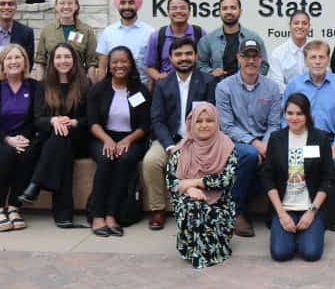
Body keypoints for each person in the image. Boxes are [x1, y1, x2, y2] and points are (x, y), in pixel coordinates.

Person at [142, 37, 216, 231]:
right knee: (151, 161)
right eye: (179, 55)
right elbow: (157, 120)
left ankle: (202, 207)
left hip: (200, 140)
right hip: (170, 140)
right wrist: (170, 146)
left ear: (196, 56)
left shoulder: (208, 81)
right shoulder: (162, 84)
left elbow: (211, 118)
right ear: (171, 58)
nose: (184, 58)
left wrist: (193, 142)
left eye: (188, 54)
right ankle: (158, 209)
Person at [215, 38, 284, 237]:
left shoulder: (271, 88)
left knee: (281, 157)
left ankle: (276, 211)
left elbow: (273, 125)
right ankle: (236, 212)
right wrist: (255, 144)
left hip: (265, 139)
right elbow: (226, 126)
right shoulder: (224, 87)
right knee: (250, 155)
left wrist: (266, 145)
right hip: (235, 142)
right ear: (238, 58)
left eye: (255, 56)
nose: (251, 61)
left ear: (261, 58)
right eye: (246, 56)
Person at [18, 42, 91, 228]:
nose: (63, 61)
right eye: (58, 57)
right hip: (53, 140)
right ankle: (63, 216)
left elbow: (91, 118)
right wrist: (53, 121)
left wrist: (74, 122)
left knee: (62, 137)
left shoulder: (85, 84)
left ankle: (35, 184)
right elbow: (37, 119)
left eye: (67, 57)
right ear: (52, 61)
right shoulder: (43, 86)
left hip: (79, 139)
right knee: (60, 143)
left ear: (74, 60)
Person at [282, 40, 335, 231]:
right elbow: (285, 116)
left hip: (329, 140)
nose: (318, 61)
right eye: (313, 57)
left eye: (322, 57)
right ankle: (290, 212)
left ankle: (328, 216)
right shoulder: (294, 84)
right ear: (305, 61)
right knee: (298, 162)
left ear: (328, 59)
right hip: (301, 137)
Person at [86, 46, 151, 236]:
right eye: (115, 62)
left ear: (131, 64)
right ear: (109, 65)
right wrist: (107, 140)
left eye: (124, 61)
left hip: (132, 139)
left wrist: (127, 141)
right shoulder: (98, 90)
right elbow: (92, 122)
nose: (119, 65)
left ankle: (112, 214)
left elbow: (145, 125)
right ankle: (97, 215)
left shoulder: (140, 91)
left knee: (124, 160)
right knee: (106, 160)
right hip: (102, 137)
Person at [261, 93, 334, 262]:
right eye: (290, 113)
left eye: (299, 113)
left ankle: (307, 232)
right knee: (280, 254)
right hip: (284, 207)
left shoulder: (320, 139)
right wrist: (281, 214)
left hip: (310, 206)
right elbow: (267, 177)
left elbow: (328, 178)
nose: (294, 118)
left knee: (311, 253)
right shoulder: (276, 138)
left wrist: (311, 212)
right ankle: (290, 233)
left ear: (307, 115)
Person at [166, 103, 238, 269]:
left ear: (217, 122)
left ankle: (210, 251)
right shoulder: (182, 148)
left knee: (201, 209)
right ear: (191, 123)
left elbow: (226, 180)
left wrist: (195, 183)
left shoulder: (227, 147)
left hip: (220, 202)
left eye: (209, 120)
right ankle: (193, 251)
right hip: (188, 199)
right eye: (199, 121)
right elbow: (171, 181)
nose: (204, 125)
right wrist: (190, 190)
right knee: (191, 205)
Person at [0, 44, 38, 232]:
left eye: (18, 57)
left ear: (25, 61)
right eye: (9, 58)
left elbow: (34, 119)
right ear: (2, 64)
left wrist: (21, 138)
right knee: (8, 154)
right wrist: (8, 139)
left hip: (21, 139)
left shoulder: (34, 86)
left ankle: (14, 207)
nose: (13, 62)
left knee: (28, 153)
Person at [197, 0, 269, 79]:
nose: (229, 12)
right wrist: (211, 72)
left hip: (248, 89)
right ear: (219, 12)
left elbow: (264, 66)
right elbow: (200, 65)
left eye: (233, 8)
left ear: (240, 11)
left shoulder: (254, 38)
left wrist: (249, 79)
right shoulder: (207, 40)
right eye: (224, 8)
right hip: (216, 88)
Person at [33, 0, 98, 79]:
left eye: (70, 3)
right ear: (56, 7)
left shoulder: (86, 31)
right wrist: (39, 86)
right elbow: (40, 62)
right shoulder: (47, 31)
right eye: (62, 3)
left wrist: (93, 88)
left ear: (76, 6)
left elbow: (91, 63)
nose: (66, 6)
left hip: (78, 83)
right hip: (52, 83)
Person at [143, 0, 206, 86]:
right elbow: (150, 67)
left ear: (189, 11)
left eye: (183, 8)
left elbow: (205, 63)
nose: (179, 11)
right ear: (168, 12)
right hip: (166, 88)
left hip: (195, 86)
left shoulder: (200, 33)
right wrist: (159, 77)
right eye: (174, 8)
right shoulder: (157, 36)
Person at [96, 0, 153, 84]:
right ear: (118, 5)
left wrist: (148, 92)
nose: (127, 7)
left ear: (138, 4)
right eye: (123, 3)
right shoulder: (108, 32)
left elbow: (152, 67)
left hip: (141, 88)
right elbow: (102, 67)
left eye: (131, 3)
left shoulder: (150, 33)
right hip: (112, 90)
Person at [267, 11, 311, 88]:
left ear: (309, 26)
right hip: (288, 98)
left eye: (304, 23)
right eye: (296, 23)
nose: (300, 26)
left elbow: (325, 76)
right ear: (290, 26)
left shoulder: (317, 50)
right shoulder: (277, 53)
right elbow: (276, 84)